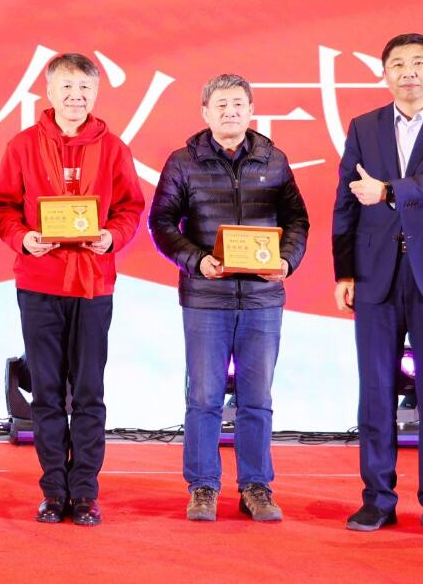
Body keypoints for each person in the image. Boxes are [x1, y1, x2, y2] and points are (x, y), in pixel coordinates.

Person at [332, 33, 423, 539]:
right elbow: (345, 201)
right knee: (375, 390)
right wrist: (344, 272)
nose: (408, 72)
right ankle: (377, 500)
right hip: (374, 274)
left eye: (419, 63)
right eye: (397, 64)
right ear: (385, 73)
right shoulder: (364, 126)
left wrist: (389, 191)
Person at [0, 52, 144, 526]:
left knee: (90, 392)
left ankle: (86, 493)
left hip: (94, 283)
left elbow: (131, 209)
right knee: (47, 393)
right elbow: (2, 207)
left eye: (84, 88)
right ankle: (54, 491)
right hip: (40, 282)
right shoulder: (22, 146)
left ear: (96, 93)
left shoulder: (113, 148)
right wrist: (23, 238)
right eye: (67, 88)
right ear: (49, 92)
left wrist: (111, 236)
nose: (76, 97)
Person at [148, 73, 309, 523]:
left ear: (251, 110)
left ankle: (256, 486)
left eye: (238, 103)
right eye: (220, 104)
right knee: (203, 397)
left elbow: (298, 221)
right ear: (205, 112)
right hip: (206, 298)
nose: (230, 112)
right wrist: (196, 260)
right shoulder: (183, 162)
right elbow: (161, 223)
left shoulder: (274, 160)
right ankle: (202, 486)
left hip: (262, 298)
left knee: (257, 398)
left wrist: (287, 261)